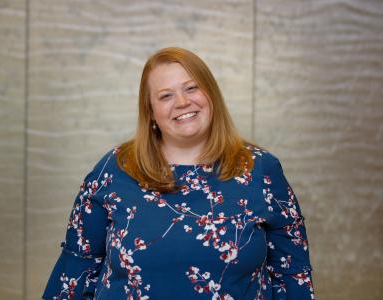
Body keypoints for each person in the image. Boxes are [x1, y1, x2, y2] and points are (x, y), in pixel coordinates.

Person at [43, 47, 314, 300]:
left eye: (192, 88)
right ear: (150, 111)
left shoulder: (260, 169)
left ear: (211, 95)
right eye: (166, 95)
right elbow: (75, 271)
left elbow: (292, 274)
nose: (183, 102)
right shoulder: (115, 169)